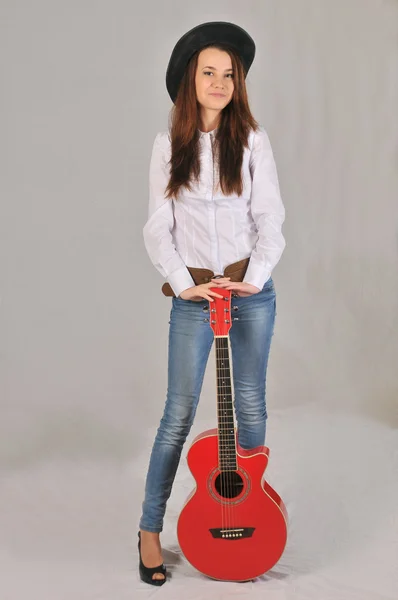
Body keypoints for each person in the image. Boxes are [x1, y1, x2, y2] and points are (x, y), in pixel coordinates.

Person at [137, 21, 286, 585]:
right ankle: (150, 530)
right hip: (196, 295)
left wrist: (257, 277)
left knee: (250, 406)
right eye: (210, 73)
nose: (220, 82)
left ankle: (248, 516)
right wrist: (182, 282)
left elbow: (270, 220)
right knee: (178, 415)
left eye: (229, 74)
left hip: (250, 293)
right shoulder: (166, 146)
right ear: (188, 80)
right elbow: (157, 228)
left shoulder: (252, 140)